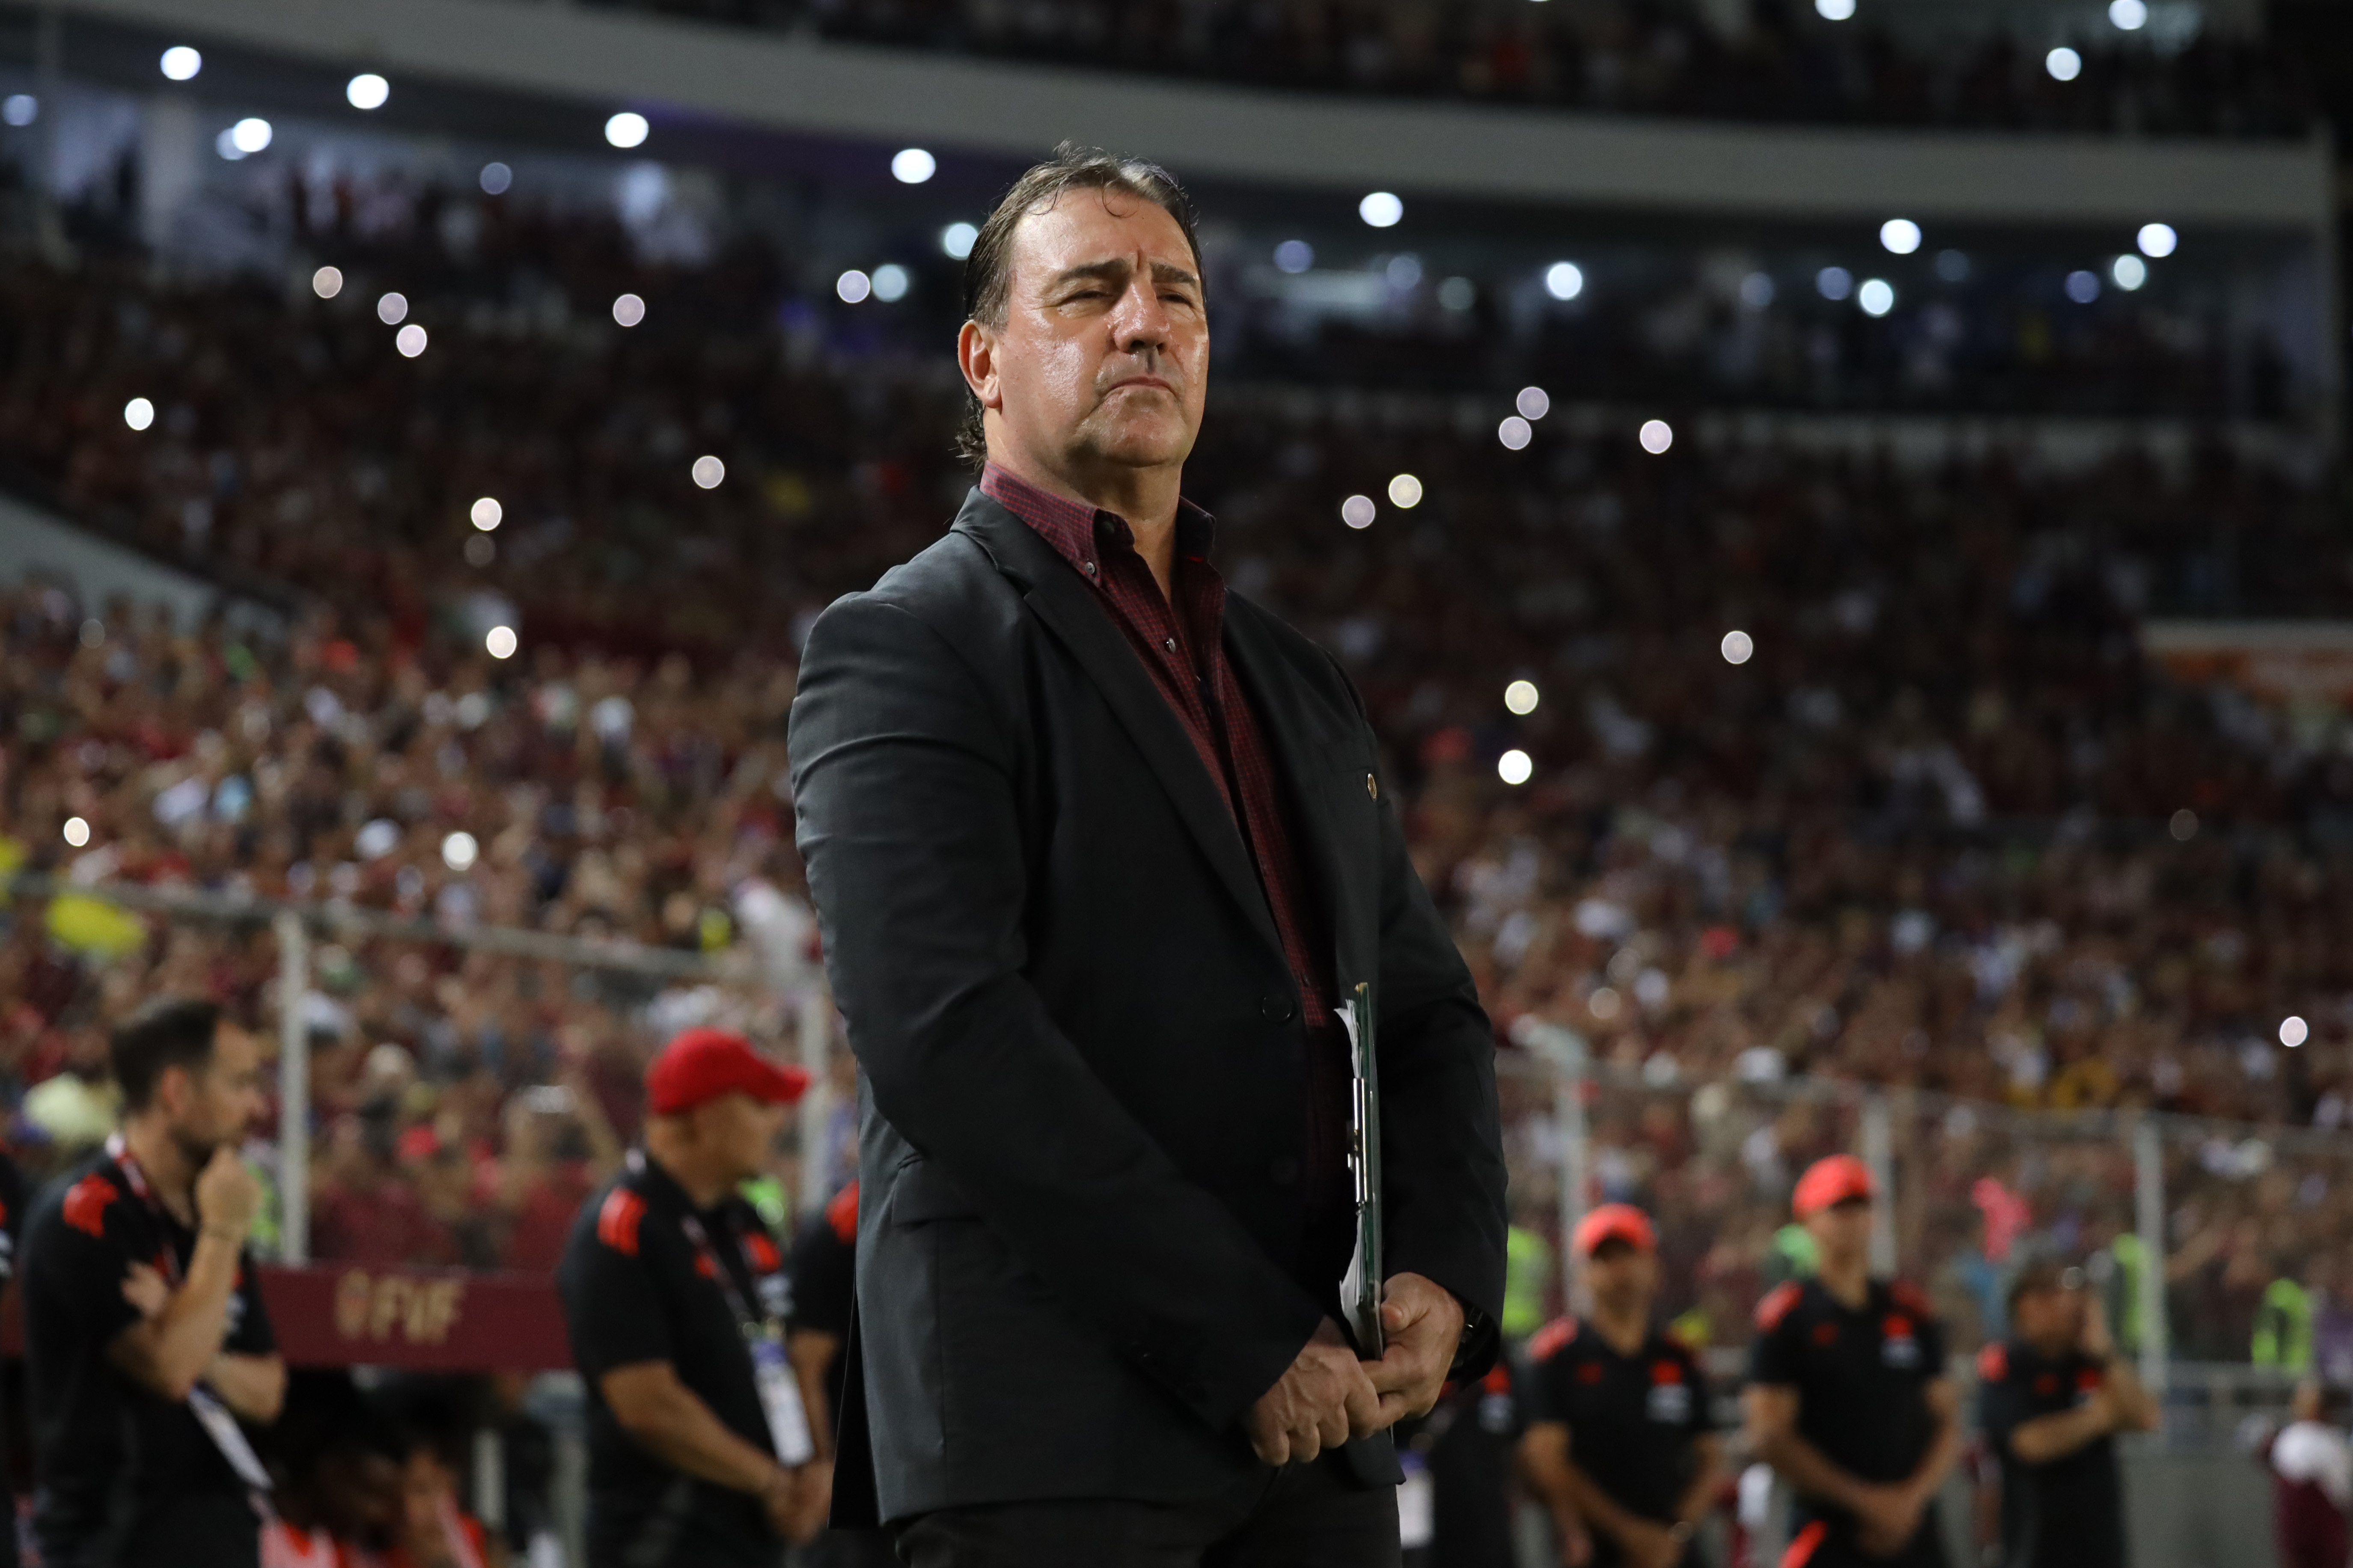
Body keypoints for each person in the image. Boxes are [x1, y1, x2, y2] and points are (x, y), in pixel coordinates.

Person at [789, 142, 1508, 1563]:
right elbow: (947, 1036)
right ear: (984, 362)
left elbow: (1423, 1012)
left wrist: (1444, 1272)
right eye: (1090, 292)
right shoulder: (906, 644)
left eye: (1176, 294)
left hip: (1324, 1435)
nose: (1144, 323)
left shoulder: (1292, 677)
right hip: (1050, 1434)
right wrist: (1239, 1340)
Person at [21, 997, 285, 1568]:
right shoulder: (86, 1213)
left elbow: (267, 1390)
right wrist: (221, 1237)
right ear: (176, 1092)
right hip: (112, 1544)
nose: (258, 1106)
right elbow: (170, 1369)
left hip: (219, 1541)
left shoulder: (209, 1209)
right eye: (240, 1084)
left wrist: (185, 1320)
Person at [556, 1026, 825, 1568]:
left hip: (759, 1534)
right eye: (759, 1104)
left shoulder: (746, 1222)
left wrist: (810, 1467)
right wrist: (770, 1479)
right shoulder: (622, 1228)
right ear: (705, 1115)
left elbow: (778, 1353)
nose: (776, 1122)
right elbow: (647, 1405)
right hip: (663, 1540)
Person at [1743, 1155, 1960, 1568]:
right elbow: (1769, 1433)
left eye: (1861, 1206)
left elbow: (1946, 1418)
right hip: (1828, 1534)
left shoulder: (1910, 1310)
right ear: (1807, 1220)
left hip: (1914, 1529)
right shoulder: (1788, 1318)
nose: (1851, 1220)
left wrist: (1909, 1500)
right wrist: (1864, 1502)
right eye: (1837, 1209)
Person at [1522, 1205, 1723, 1568]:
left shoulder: (1679, 1357)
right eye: (1604, 1259)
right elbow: (1545, 1460)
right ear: (1582, 1274)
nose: (1620, 1270)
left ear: (1653, 1266)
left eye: (1629, 1254)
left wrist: (1674, 1533)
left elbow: (1711, 1456)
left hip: (1673, 1551)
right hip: (1591, 1552)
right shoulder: (1556, 1356)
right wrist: (1629, 1533)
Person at [1973, 1258, 2158, 1568]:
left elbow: (2145, 1416)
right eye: (2048, 1295)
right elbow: (2028, 1443)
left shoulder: (2090, 1362)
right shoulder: (2007, 1365)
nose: (2062, 1305)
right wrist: (2099, 1419)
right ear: (2023, 1306)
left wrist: (2105, 1352)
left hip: (2099, 1547)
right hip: (2033, 1545)